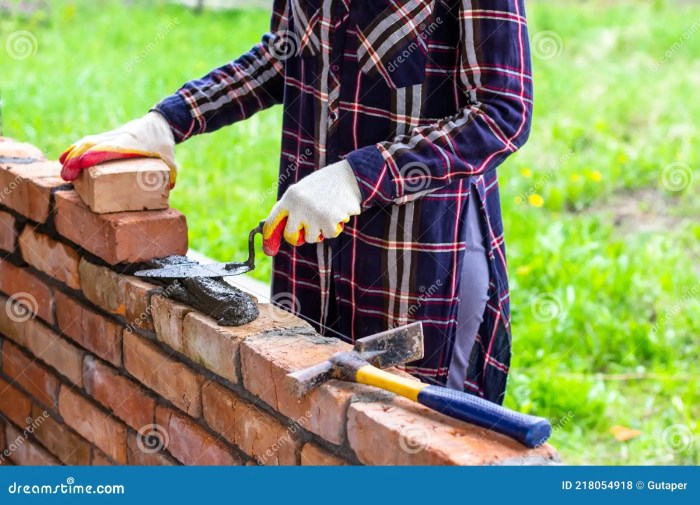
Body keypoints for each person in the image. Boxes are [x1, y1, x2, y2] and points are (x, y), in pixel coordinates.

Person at [60, 0, 533, 403]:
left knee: (407, 448)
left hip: (419, 270)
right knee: (319, 428)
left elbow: (500, 114)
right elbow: (282, 56)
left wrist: (359, 177)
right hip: (313, 254)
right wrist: (169, 122)